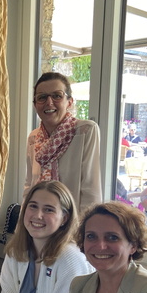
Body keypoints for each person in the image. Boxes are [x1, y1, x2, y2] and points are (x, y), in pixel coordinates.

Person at [0, 180, 93, 293]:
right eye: (33, 206)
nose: (38, 215)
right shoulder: (16, 251)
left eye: (49, 209)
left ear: (64, 218)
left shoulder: (69, 259)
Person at [24, 72, 102, 210]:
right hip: (39, 218)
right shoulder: (33, 138)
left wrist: (85, 223)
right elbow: (29, 186)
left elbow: (91, 189)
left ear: (69, 102)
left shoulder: (85, 131)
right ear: (35, 105)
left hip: (72, 219)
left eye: (57, 96)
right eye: (42, 97)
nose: (49, 102)